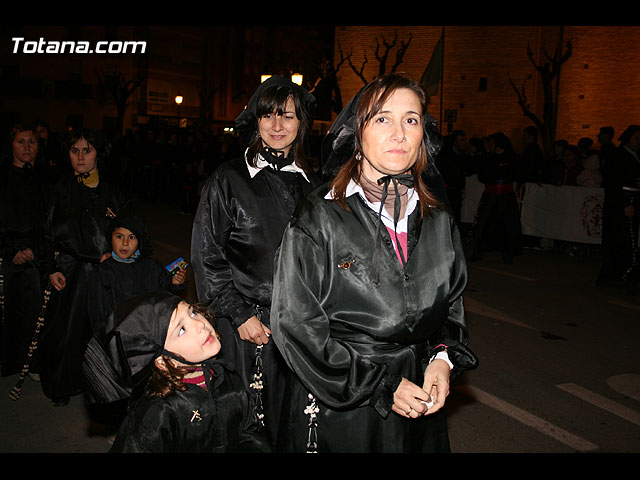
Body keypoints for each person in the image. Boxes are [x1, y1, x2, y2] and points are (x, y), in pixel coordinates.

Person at [270, 73, 478, 453]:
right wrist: (380, 384)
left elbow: (452, 306)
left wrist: (442, 359)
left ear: (423, 137)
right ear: (357, 135)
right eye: (382, 118)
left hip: (418, 397)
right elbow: (295, 324)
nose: (399, 133)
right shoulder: (320, 216)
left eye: (411, 119)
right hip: (342, 398)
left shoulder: (439, 220)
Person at [190, 75, 319, 447]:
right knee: (249, 425)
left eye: (288, 116)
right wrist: (239, 314)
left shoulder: (315, 183)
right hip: (248, 328)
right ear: (255, 120)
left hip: (303, 328)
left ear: (301, 124)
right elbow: (207, 254)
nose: (277, 126)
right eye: (268, 116)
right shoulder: (229, 179)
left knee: (295, 422)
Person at [82, 291, 271, 453]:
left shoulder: (226, 377)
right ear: (162, 361)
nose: (200, 324)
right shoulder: (158, 413)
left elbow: (249, 430)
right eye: (181, 330)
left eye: (193, 312)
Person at [35, 128, 131, 406]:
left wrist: (119, 256)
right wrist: (49, 268)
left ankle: (103, 388)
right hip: (68, 271)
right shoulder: (58, 190)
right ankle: (61, 386)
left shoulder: (113, 192)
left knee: (104, 334)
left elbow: (130, 229)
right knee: (64, 332)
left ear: (98, 153)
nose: (80, 157)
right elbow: (42, 232)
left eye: (86, 150)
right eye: (74, 151)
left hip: (106, 272)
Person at [87, 215, 186, 342]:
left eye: (132, 237)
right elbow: (97, 311)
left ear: (140, 241)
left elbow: (163, 291)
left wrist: (174, 283)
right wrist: (104, 338)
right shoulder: (103, 272)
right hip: (120, 335)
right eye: (119, 236)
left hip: (150, 332)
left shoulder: (151, 266)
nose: (125, 243)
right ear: (110, 238)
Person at [0, 124, 45, 377]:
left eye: (32, 142)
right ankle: (10, 362)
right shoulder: (3, 177)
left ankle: (33, 363)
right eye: (21, 142)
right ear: (11, 145)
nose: (27, 147)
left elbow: (51, 220)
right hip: (7, 255)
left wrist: (36, 249)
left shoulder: (46, 179)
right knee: (9, 312)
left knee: (35, 314)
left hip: (37, 256)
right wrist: (10, 250)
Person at [468, 131, 522, 263]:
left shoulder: (511, 158)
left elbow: (516, 173)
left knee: (507, 225)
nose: (488, 145)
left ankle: (507, 253)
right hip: (491, 196)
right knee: (484, 224)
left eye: (490, 143)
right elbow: (483, 175)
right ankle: (478, 251)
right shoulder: (487, 158)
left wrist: (501, 170)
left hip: (506, 197)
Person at [597, 125, 640, 287]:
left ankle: (627, 271)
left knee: (630, 239)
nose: (639, 142)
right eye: (636, 138)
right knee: (618, 239)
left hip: (633, 204)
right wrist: (625, 204)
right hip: (618, 207)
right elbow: (613, 183)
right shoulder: (618, 156)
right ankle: (614, 274)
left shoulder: (636, 156)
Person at [435, 130, 471, 225]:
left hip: (457, 193)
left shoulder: (463, 156)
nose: (464, 143)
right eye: (461, 140)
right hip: (446, 193)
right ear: (455, 141)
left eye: (465, 140)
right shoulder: (445, 156)